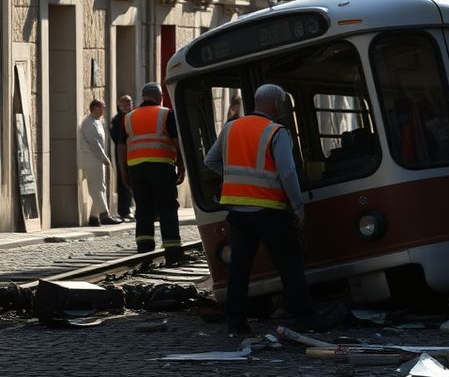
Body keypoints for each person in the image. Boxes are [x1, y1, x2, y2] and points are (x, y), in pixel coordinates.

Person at [204, 84, 342, 335]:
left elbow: (210, 160)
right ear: (277, 104)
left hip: (238, 213)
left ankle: (236, 323)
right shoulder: (276, 132)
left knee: (239, 270)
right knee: (290, 265)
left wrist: (234, 179)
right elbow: (288, 172)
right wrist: (298, 208)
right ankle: (306, 319)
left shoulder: (230, 128)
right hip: (269, 212)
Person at [117, 82, 187, 265]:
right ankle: (172, 253)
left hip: (136, 169)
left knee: (143, 209)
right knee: (167, 207)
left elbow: (121, 147)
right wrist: (182, 165)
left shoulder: (128, 118)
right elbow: (177, 141)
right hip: (162, 167)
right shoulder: (166, 114)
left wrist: (123, 171)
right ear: (159, 98)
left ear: (143, 97)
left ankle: (144, 253)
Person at [78, 99, 120, 226]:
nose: (104, 109)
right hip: (91, 159)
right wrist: (104, 158)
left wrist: (102, 158)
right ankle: (104, 214)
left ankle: (94, 217)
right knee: (96, 188)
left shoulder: (97, 122)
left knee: (100, 186)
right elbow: (94, 144)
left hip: (97, 159)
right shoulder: (88, 123)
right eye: (102, 107)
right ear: (95, 108)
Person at [110, 95, 135, 220]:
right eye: (124, 104)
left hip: (135, 153)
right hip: (122, 153)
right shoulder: (117, 120)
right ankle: (125, 210)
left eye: (129, 103)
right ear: (119, 105)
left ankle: (133, 207)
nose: (127, 106)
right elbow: (116, 138)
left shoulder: (134, 117)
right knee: (123, 181)